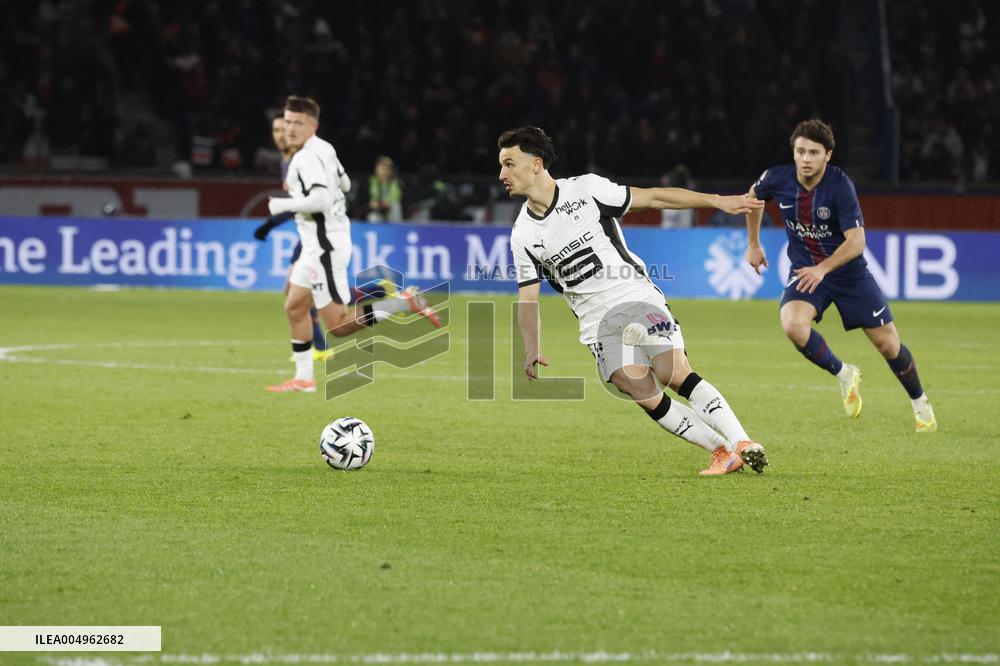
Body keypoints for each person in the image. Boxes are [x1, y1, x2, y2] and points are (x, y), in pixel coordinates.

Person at [501, 126, 768, 476]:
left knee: (672, 372)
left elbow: (655, 197)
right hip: (595, 322)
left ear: (536, 164)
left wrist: (716, 201)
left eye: (509, 163)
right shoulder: (522, 234)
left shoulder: (585, 190)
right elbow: (528, 297)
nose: (502, 174)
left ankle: (743, 441)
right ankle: (721, 451)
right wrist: (531, 346)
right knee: (642, 392)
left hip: (634, 295)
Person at [743, 119, 937, 432]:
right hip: (807, 272)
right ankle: (844, 373)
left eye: (813, 153)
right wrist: (753, 244)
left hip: (848, 276)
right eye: (800, 151)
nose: (806, 159)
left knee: (888, 346)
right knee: (792, 324)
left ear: (827, 155)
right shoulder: (777, 178)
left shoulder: (839, 185)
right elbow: (751, 199)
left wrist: (823, 269)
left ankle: (920, 402)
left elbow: (857, 242)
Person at [265, 96, 440, 394]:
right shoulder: (325, 148)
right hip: (315, 245)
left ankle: (402, 302)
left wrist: (282, 204)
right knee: (295, 306)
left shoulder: (306, 157)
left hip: (324, 249)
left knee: (337, 325)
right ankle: (304, 378)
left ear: (312, 125)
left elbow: (319, 200)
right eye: (288, 121)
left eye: (298, 123)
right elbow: (345, 185)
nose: (291, 128)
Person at [254, 113, 332, 361]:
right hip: (310, 232)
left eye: (285, 129)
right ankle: (319, 347)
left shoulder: (301, 160)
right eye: (276, 130)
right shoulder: (287, 161)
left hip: (321, 231)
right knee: (308, 293)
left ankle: (383, 294)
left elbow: (308, 203)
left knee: (303, 291)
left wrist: (270, 224)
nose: (280, 135)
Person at [367, 155, 404, 222]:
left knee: (395, 206)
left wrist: (381, 204)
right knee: (372, 217)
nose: (383, 172)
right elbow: (373, 201)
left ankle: (396, 228)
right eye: (380, 169)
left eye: (386, 169)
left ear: (391, 171)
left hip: (391, 212)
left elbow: (394, 200)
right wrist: (377, 204)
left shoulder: (395, 183)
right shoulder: (373, 181)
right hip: (378, 211)